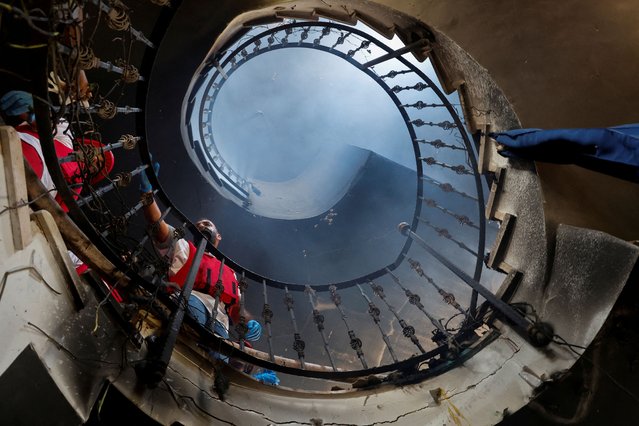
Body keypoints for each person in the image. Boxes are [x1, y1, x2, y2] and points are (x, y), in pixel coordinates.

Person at [139, 163, 261, 344]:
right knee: (182, 339)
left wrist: (248, 322)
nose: (202, 225)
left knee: (215, 359)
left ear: (218, 236)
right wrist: (148, 195)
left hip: (220, 322)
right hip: (187, 301)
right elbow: (158, 227)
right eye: (199, 225)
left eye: (207, 223)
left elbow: (236, 307)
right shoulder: (183, 245)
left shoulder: (230, 272)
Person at [0, 90, 114, 211]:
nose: (94, 159)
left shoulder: (77, 186)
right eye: (96, 153)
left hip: (25, 195)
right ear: (88, 145)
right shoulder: (66, 136)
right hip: (14, 148)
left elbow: (58, 212)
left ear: (93, 172)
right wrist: (34, 110)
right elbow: (48, 121)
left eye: (98, 164)